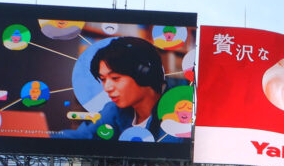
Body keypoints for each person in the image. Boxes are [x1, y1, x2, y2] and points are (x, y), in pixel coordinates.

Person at [56, 37, 187, 143]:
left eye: (115, 78)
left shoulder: (179, 111)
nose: (107, 88)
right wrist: (40, 135)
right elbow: (84, 136)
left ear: (143, 73)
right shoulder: (115, 110)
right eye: (103, 79)